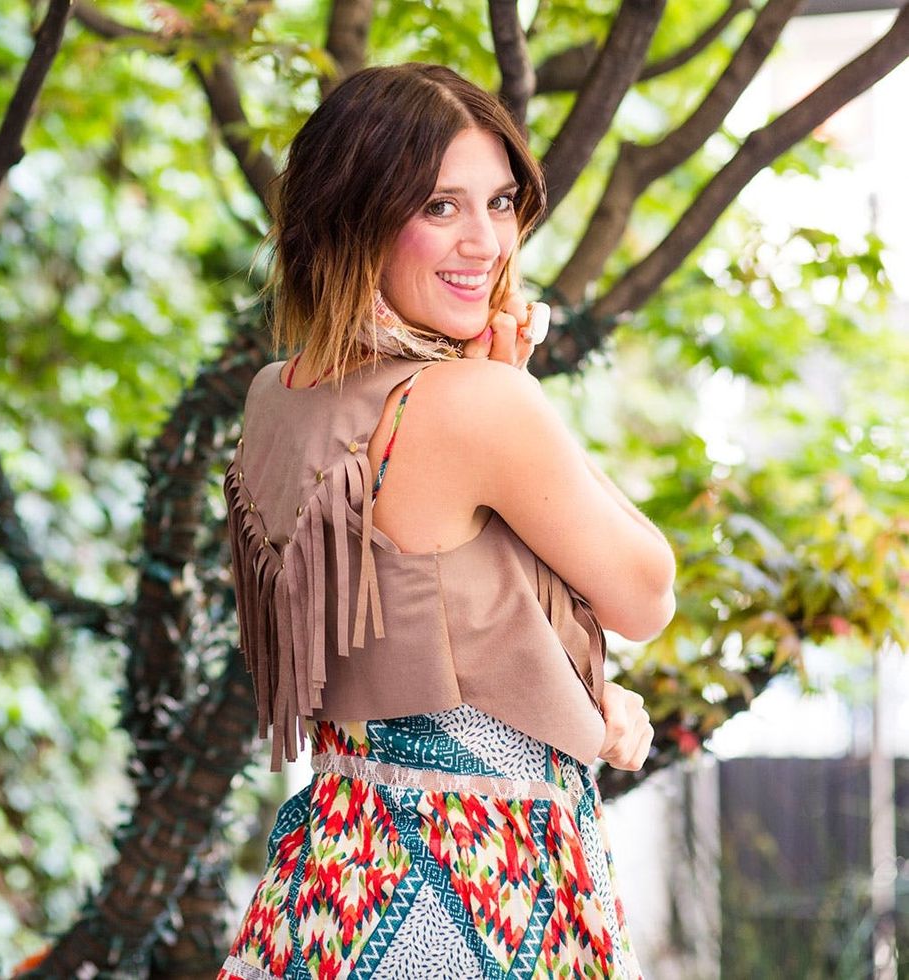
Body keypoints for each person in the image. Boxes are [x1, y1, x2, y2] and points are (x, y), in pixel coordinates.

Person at [218, 63, 675, 980]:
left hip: (326, 893)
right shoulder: (473, 403)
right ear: (354, 216)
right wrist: (514, 394)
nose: (487, 242)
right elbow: (646, 594)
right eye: (439, 206)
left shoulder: (277, 396)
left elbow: (436, 633)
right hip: (478, 895)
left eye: (500, 202)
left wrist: (583, 698)